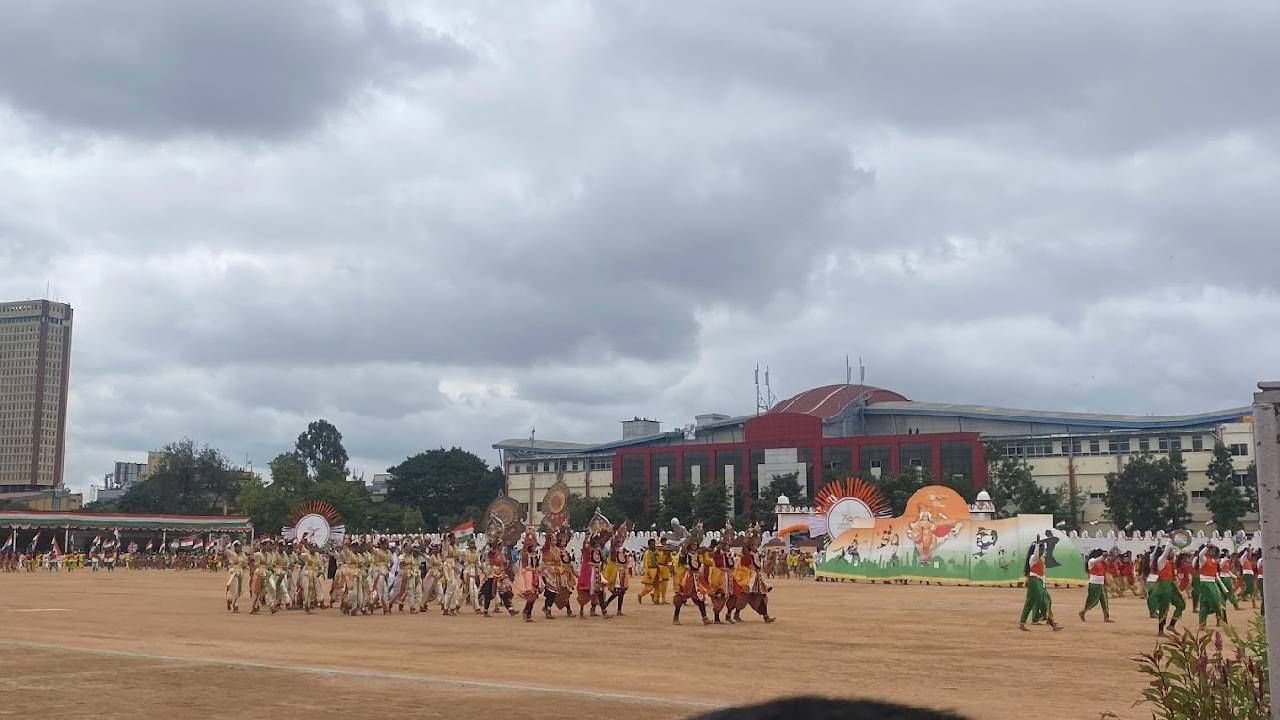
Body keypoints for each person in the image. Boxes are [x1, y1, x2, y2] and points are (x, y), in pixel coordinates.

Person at [1018, 536, 1062, 632]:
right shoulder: (1033, 558)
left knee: (1030, 602)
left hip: (1038, 581)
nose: (1043, 551)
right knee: (1044, 600)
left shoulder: (1039, 560)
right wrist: (1038, 544)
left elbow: (1042, 574)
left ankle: (1022, 623)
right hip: (1035, 581)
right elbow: (1036, 554)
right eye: (1042, 549)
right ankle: (1052, 623)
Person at [1149, 544, 1185, 636]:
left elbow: (1177, 552)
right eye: (1171, 552)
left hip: (1171, 585)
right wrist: (1170, 541)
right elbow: (1165, 553)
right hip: (1163, 585)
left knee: (1181, 604)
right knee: (1163, 608)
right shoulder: (1161, 561)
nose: (1173, 553)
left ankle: (1172, 625)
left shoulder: (1170, 562)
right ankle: (1160, 631)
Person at [1079, 548, 1113, 623]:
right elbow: (1097, 560)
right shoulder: (1091, 561)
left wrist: (1107, 558)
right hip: (1094, 584)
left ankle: (1106, 617)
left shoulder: (1101, 562)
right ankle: (1083, 611)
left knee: (1105, 601)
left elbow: (1107, 565)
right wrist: (1103, 557)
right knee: (1094, 601)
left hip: (1101, 583)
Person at [1196, 545, 1225, 628]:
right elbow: (1200, 555)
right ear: (1208, 551)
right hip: (1206, 583)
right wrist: (1206, 547)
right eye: (1211, 551)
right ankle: (1203, 623)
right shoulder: (1204, 559)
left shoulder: (1213, 560)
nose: (1213, 552)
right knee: (1215, 602)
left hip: (1212, 582)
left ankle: (1211, 620)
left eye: (1214, 551)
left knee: (1205, 603)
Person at [225, 540, 247, 613]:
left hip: (240, 572)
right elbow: (225, 550)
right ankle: (235, 606)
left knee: (241, 590)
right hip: (233, 572)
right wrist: (226, 543)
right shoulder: (231, 553)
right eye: (237, 547)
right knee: (235, 589)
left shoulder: (243, 555)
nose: (239, 548)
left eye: (240, 547)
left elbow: (245, 563)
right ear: (234, 547)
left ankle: (230, 599)